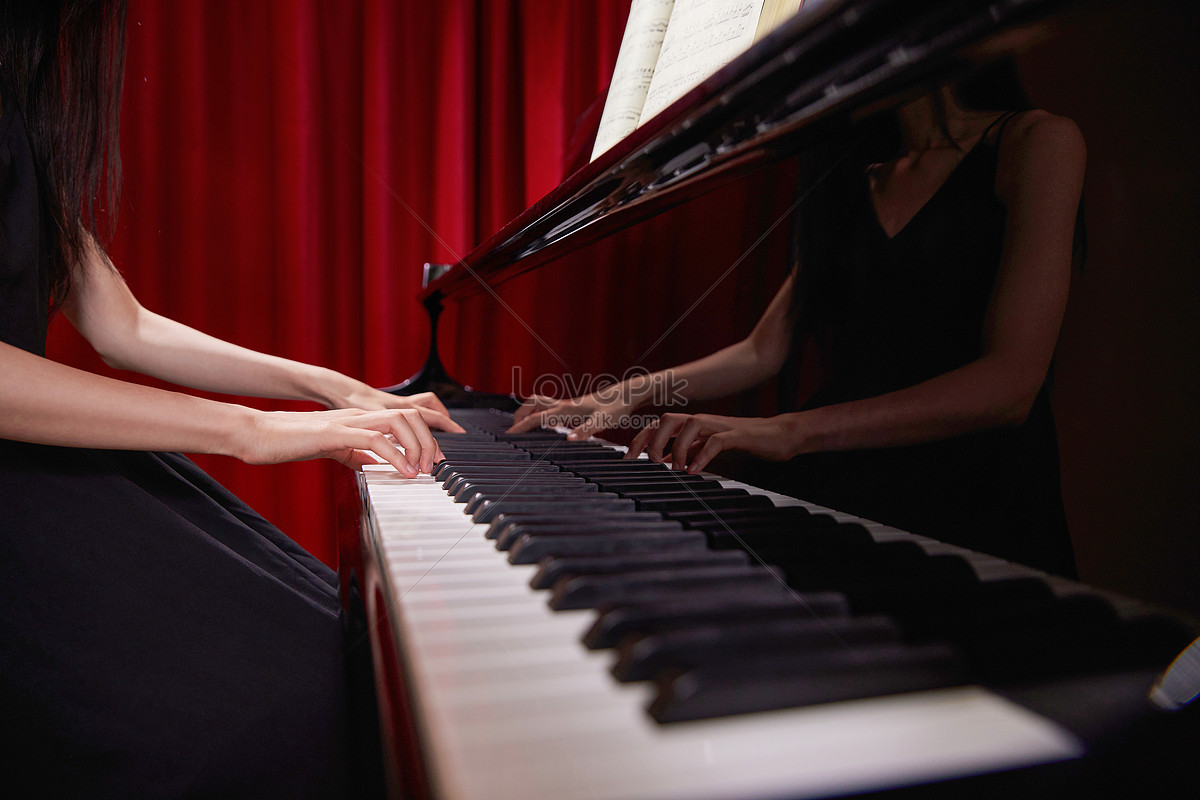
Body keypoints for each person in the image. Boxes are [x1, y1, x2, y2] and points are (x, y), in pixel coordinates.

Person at [0, 1, 461, 796]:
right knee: (288, 710)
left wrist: (326, 385)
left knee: (355, 657)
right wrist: (253, 431)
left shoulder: (15, 93)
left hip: (52, 473)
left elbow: (126, 327)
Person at [511, 61, 1086, 579]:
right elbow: (763, 351)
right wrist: (625, 394)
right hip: (850, 484)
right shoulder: (857, 175)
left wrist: (787, 432)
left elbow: (1011, 385)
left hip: (976, 497)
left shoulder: (1035, 141)